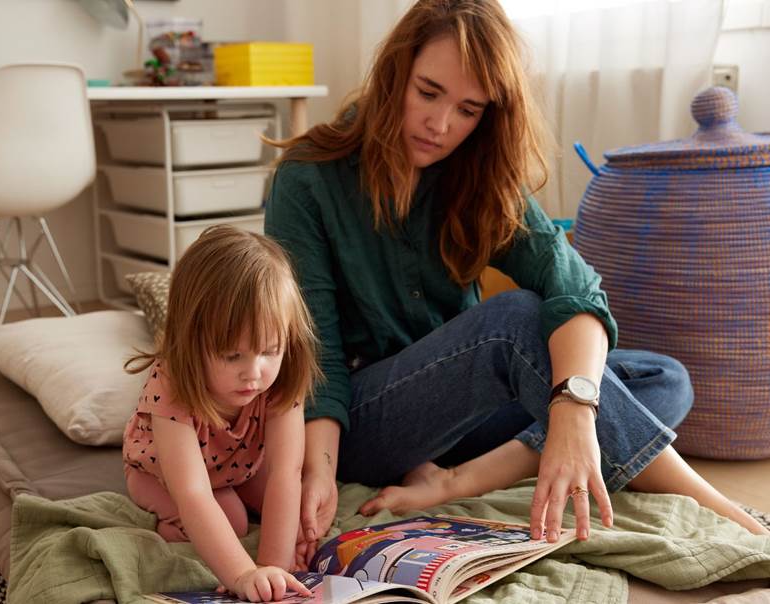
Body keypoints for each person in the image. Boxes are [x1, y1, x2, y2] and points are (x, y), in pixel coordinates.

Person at [264, 0, 769, 565]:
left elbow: (575, 289)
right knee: (514, 323)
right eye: (428, 92)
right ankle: (725, 513)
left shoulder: (475, 172)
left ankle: (458, 480)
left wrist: (573, 413)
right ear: (394, 75)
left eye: (468, 109)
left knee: (660, 378)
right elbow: (314, 358)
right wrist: (319, 474)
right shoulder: (308, 177)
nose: (441, 124)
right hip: (361, 421)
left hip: (464, 418)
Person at [122, 225, 321, 602]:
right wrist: (244, 574)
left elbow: (285, 472)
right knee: (231, 520)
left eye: (270, 350)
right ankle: (166, 524)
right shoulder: (173, 384)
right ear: (192, 343)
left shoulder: (279, 374)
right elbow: (193, 493)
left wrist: (274, 567)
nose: (254, 372)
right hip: (160, 473)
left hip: (237, 463)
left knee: (292, 513)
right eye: (233, 356)